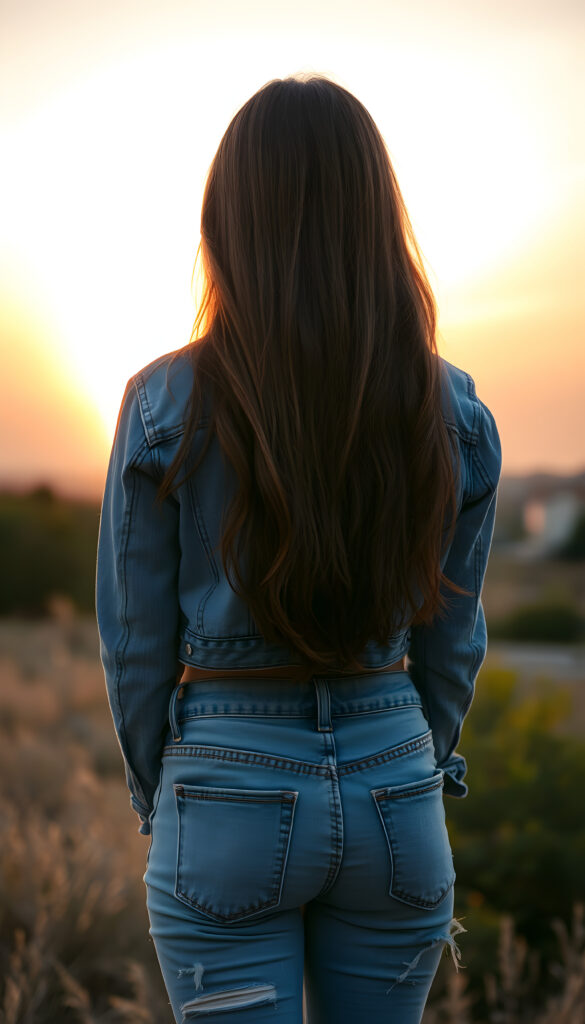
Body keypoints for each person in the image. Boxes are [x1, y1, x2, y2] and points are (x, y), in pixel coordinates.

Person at [95, 73, 501, 1024]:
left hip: (226, 787)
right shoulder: (455, 411)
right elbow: (453, 640)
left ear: (227, 222)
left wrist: (172, 793)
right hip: (396, 787)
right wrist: (406, 759)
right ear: (377, 219)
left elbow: (135, 648)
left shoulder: (162, 406)